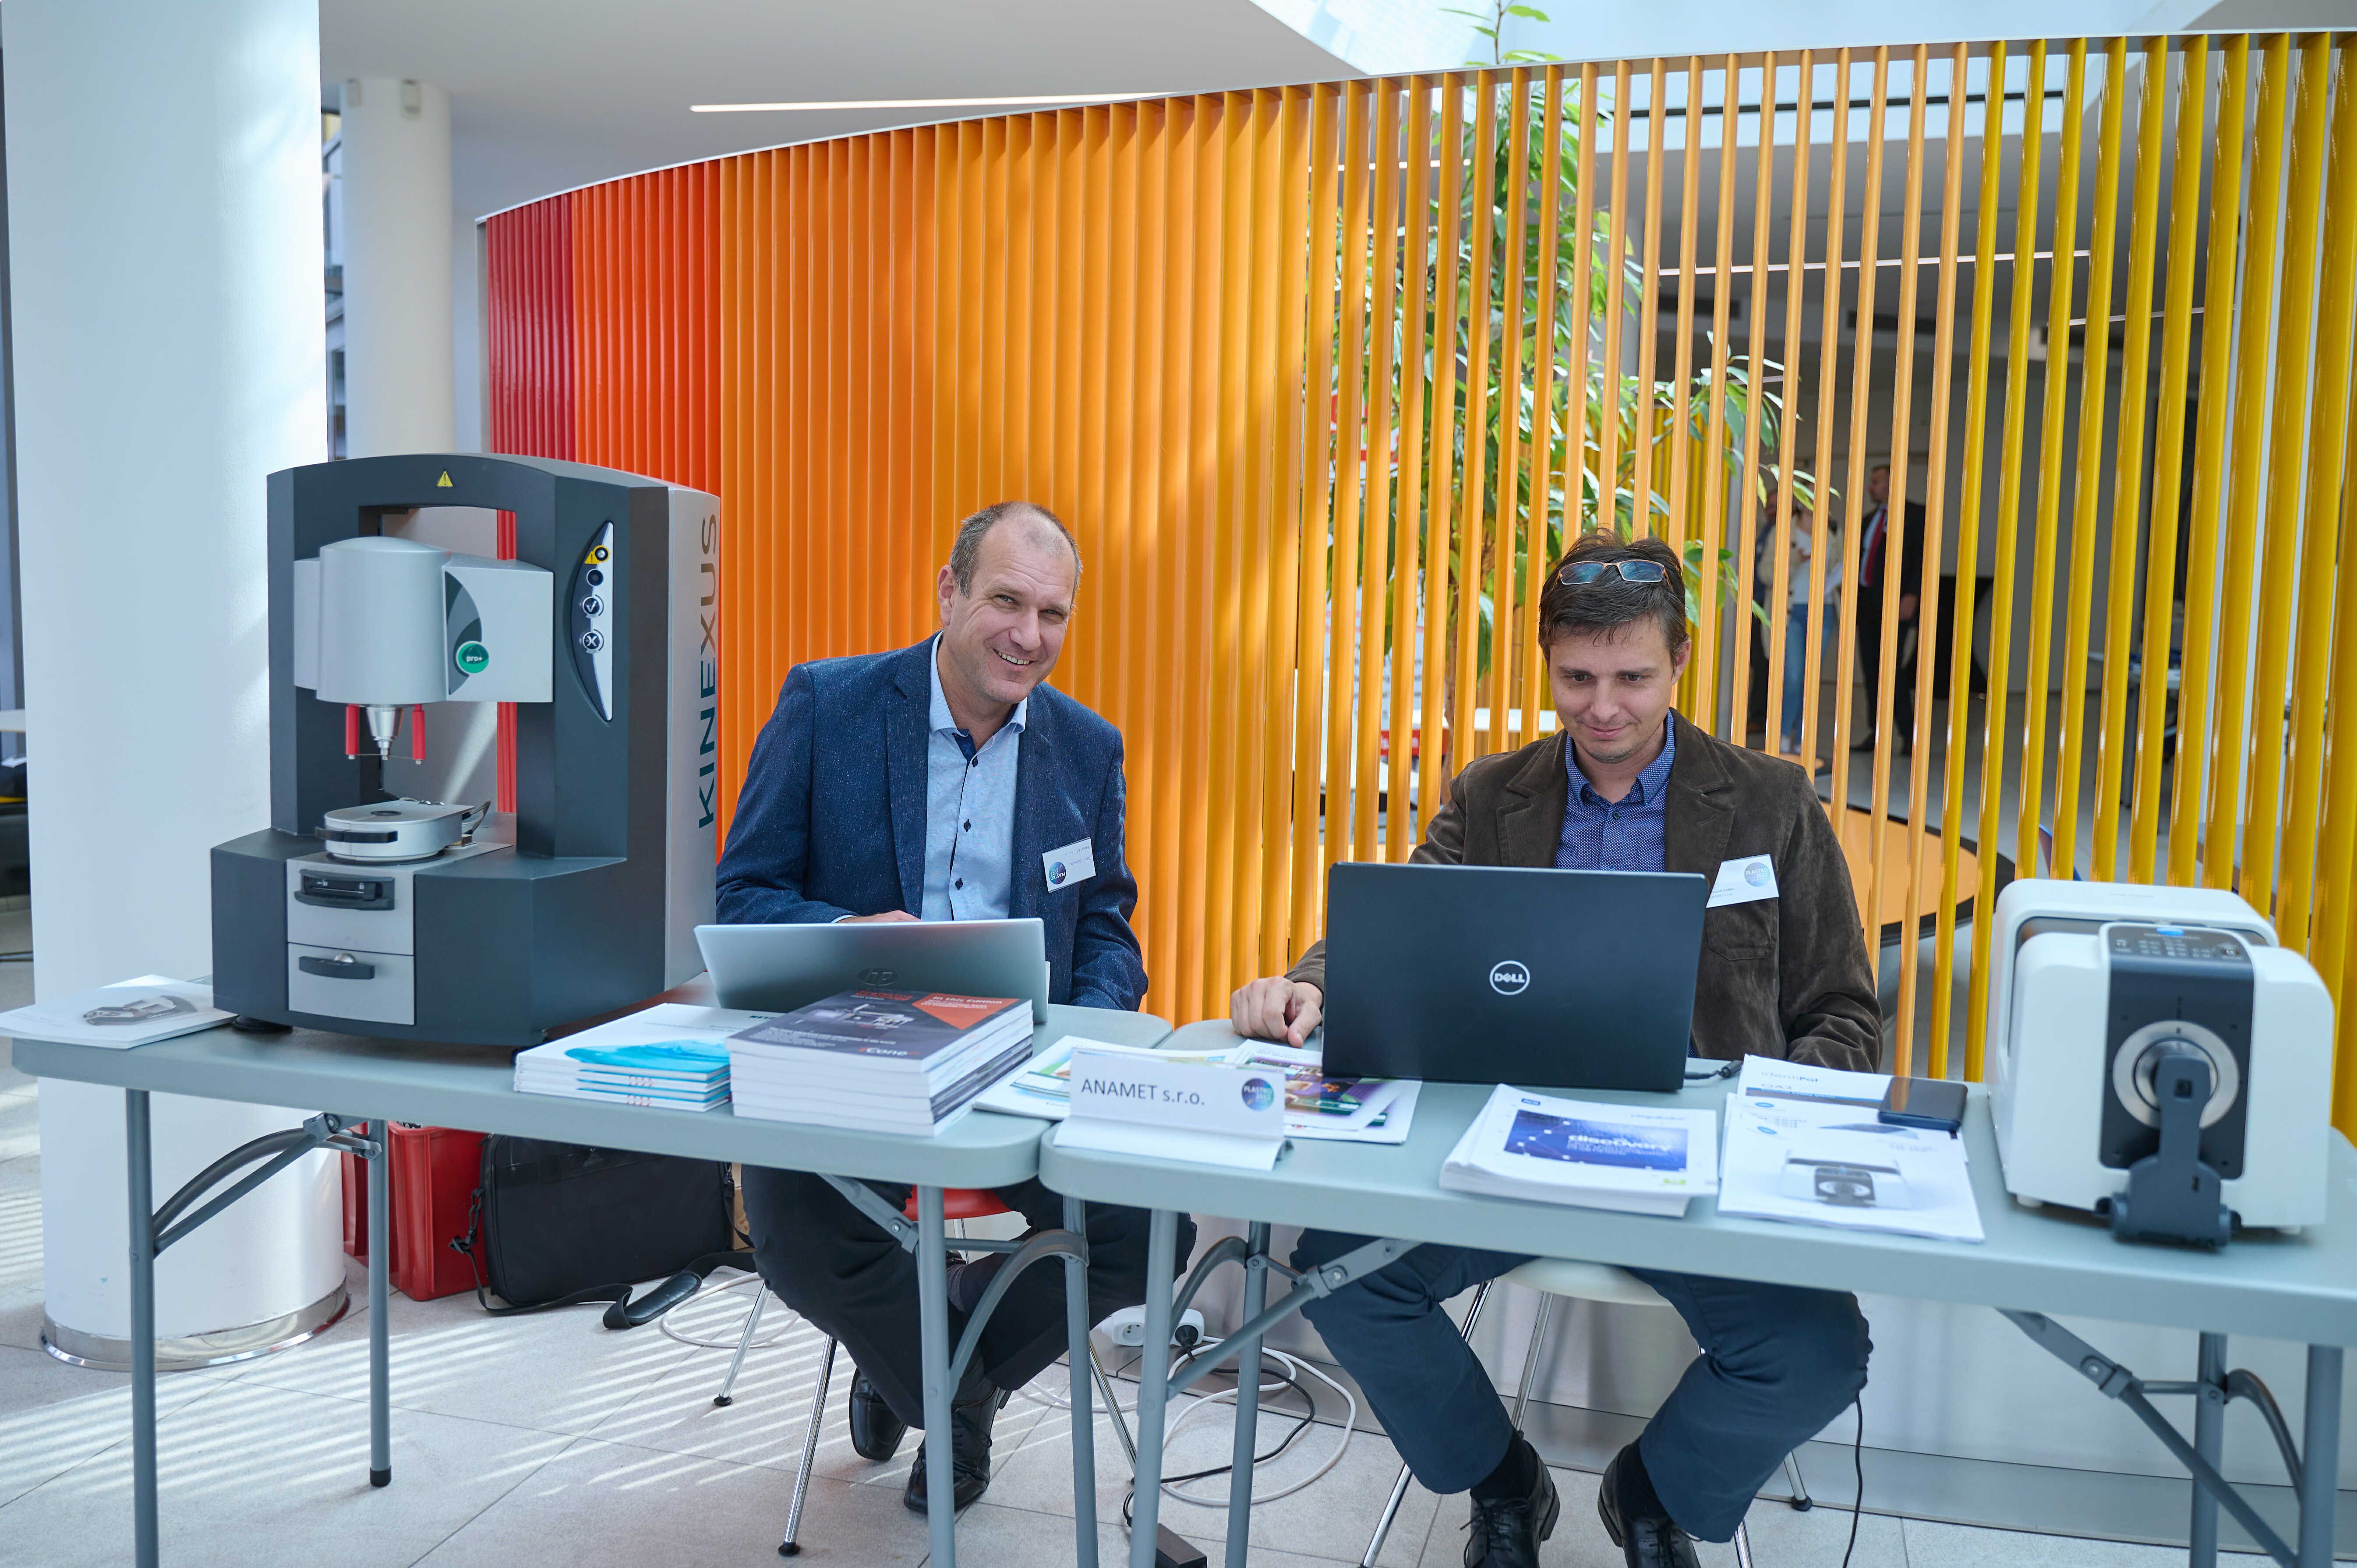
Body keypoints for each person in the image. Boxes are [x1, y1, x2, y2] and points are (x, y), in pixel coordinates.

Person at [1230, 531, 1878, 1568]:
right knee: (1339, 1278)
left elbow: (1842, 1015)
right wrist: (1310, 984)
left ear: (1680, 659)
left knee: (1817, 1353)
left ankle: (1650, 1489)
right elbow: (1398, 925)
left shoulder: (1769, 802)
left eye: (1632, 678)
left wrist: (1758, 1122)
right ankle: (1502, 1480)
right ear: (1546, 663)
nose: (1602, 707)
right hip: (1509, 1148)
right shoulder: (1494, 795)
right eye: (1576, 678)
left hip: (1693, 1169)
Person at [715, 500, 1194, 1513]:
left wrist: (1084, 1032)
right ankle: (951, 1387)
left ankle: (916, 1356)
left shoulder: (1085, 748)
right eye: (1005, 601)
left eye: (1052, 614)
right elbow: (744, 894)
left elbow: (1105, 931)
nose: (1028, 635)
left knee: (1148, 1233)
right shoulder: (827, 706)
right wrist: (851, 932)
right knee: (795, 1230)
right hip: (855, 1061)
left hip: (1018, 1072)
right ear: (947, 591)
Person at [1852, 462, 1925, 754]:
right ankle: (1876, 733)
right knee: (1871, 671)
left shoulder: (1915, 515)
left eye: (1876, 482)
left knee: (1892, 671)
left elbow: (1922, 558)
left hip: (1896, 604)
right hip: (1866, 605)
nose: (1870, 488)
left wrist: (1913, 594)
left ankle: (1908, 735)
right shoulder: (1869, 519)